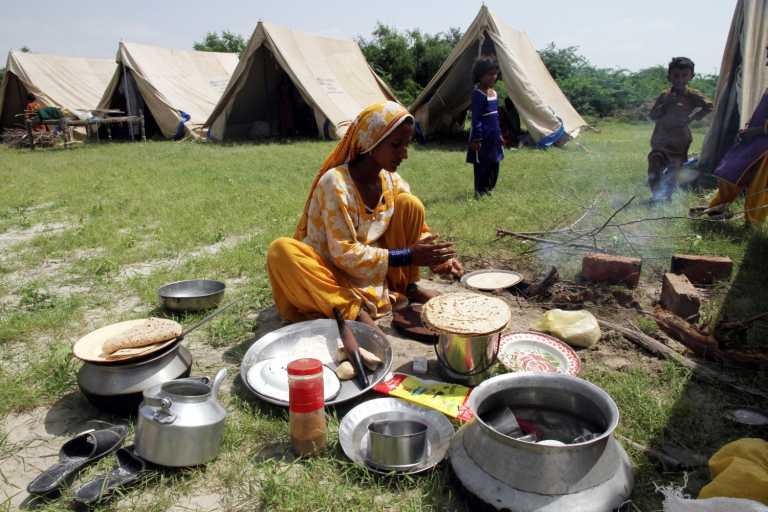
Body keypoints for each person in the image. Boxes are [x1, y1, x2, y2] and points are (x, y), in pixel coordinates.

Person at [266, 101, 464, 332]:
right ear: (371, 142)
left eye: (407, 145)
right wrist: (407, 255)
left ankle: (406, 286)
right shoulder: (336, 183)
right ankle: (353, 311)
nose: (404, 154)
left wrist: (440, 259)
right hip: (332, 274)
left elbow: (419, 231)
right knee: (281, 252)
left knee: (410, 204)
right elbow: (343, 253)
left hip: (374, 271)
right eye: (396, 145)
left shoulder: (391, 180)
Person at [695, 47, 768, 226]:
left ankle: (753, 223)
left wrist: (753, 132)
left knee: (759, 187)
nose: (766, 62)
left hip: (764, 147)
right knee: (729, 173)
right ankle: (716, 209)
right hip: (756, 142)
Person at [647, 57, 713, 200]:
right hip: (661, 137)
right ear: (669, 76)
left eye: (684, 76)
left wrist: (693, 117)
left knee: (674, 168)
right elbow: (652, 116)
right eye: (676, 75)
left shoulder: (692, 95)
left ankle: (667, 197)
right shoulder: (664, 96)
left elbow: (709, 106)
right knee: (654, 161)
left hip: (680, 139)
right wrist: (664, 105)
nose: (680, 79)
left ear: (691, 77)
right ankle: (655, 195)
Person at [467, 56, 504, 197]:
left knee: (495, 162)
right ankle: (480, 190)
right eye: (489, 74)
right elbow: (476, 119)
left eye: (495, 73)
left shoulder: (494, 93)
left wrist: (499, 134)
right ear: (480, 75)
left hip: (494, 137)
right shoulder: (478, 94)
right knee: (482, 165)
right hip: (482, 137)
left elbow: (496, 118)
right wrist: (476, 139)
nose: (493, 77)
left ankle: (490, 188)